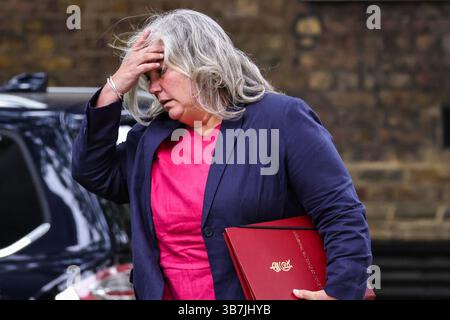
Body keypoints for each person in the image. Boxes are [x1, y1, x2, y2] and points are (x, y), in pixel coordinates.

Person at [72, 9, 372, 300]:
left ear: (198, 61)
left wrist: (341, 291)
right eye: (147, 78)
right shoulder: (150, 140)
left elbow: (339, 211)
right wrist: (113, 89)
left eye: (161, 72)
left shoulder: (281, 119)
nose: (153, 88)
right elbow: (93, 171)